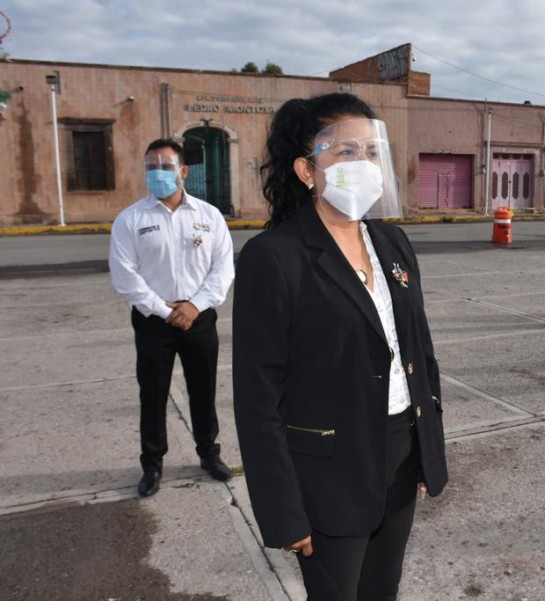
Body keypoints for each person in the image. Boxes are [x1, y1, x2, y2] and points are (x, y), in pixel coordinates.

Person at [232, 93, 448, 601]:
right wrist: (283, 509)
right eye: (346, 151)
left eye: (372, 152)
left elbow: (419, 347)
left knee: (383, 591)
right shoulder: (274, 258)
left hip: (399, 451)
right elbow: (257, 397)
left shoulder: (392, 242)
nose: (365, 165)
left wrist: (425, 448)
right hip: (327, 474)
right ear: (308, 170)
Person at [109, 139, 235, 498]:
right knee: (153, 393)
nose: (157, 173)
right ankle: (152, 464)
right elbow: (125, 276)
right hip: (153, 321)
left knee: (203, 390)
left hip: (200, 318)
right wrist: (167, 311)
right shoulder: (131, 219)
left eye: (165, 166)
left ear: (183, 172)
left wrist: (195, 306)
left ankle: (209, 455)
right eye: (151, 167)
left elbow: (222, 269)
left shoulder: (209, 216)